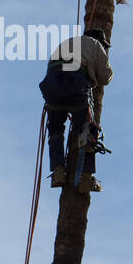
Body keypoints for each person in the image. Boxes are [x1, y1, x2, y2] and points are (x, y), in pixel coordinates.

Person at [38, 27, 113, 192]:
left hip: (51, 85)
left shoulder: (68, 42)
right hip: (74, 83)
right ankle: (86, 178)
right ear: (101, 42)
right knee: (87, 129)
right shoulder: (95, 44)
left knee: (55, 129)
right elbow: (105, 77)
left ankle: (58, 171)